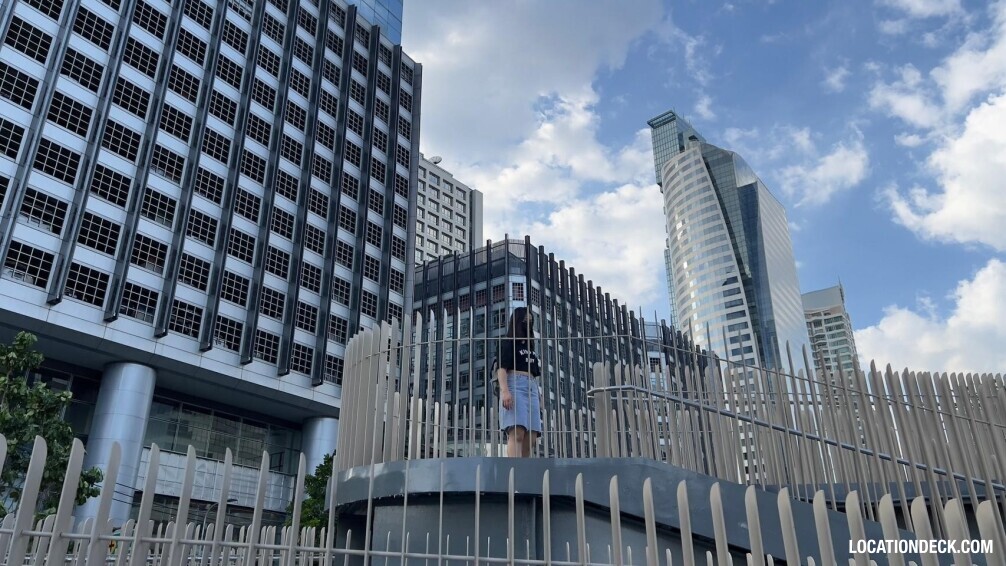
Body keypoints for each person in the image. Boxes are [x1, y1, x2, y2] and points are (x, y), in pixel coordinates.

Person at [496, 307, 542, 457]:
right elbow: (501, 368)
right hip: (515, 384)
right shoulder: (508, 343)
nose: (528, 324)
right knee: (517, 433)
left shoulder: (530, 347)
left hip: (531, 386)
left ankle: (524, 472)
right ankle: (514, 471)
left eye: (530, 321)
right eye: (525, 321)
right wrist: (505, 391)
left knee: (532, 436)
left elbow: (535, 373)